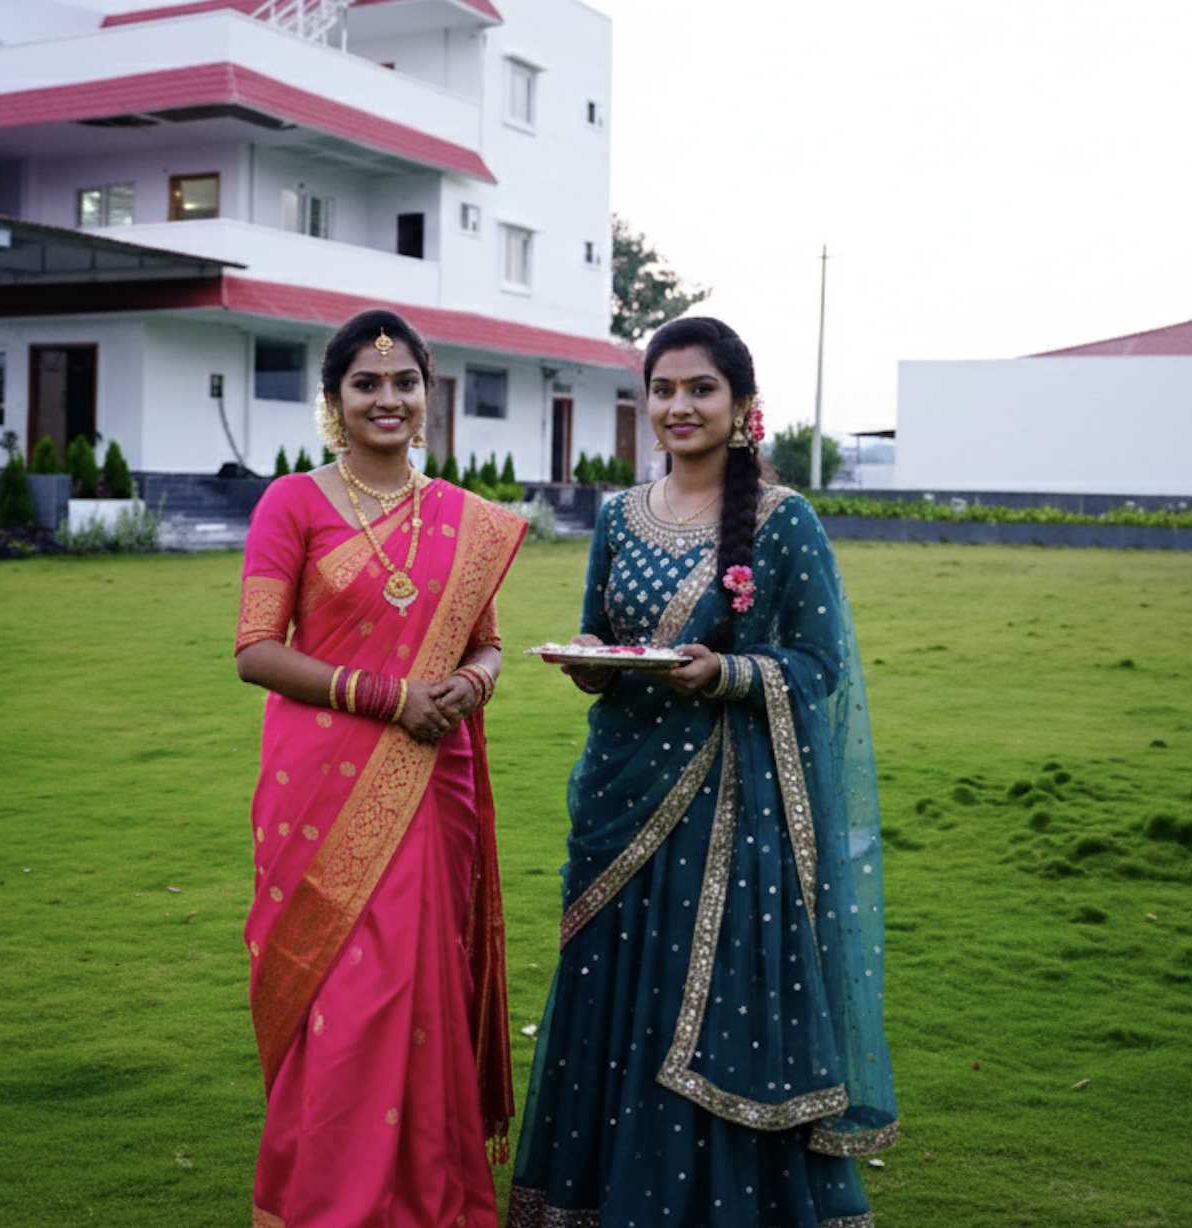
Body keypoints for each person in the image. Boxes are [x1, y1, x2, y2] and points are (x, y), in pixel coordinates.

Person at [509, 317, 898, 1228]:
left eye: (700, 389)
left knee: (711, 998)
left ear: (741, 407)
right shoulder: (616, 515)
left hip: (733, 812)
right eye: (664, 390)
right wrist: (593, 662)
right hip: (620, 795)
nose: (679, 407)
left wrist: (726, 673)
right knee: (616, 992)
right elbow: (603, 639)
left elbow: (820, 663)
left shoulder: (781, 519)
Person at [234, 308, 527, 1228]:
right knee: (344, 995)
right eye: (366, 383)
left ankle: (429, 1200)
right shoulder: (292, 503)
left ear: (427, 396)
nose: (387, 398)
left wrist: (470, 689)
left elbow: (486, 648)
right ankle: (329, 1203)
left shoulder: (462, 520)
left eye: (404, 383)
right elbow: (254, 650)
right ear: (334, 400)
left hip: (431, 784)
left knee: (422, 988)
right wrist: (388, 697)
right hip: (322, 789)